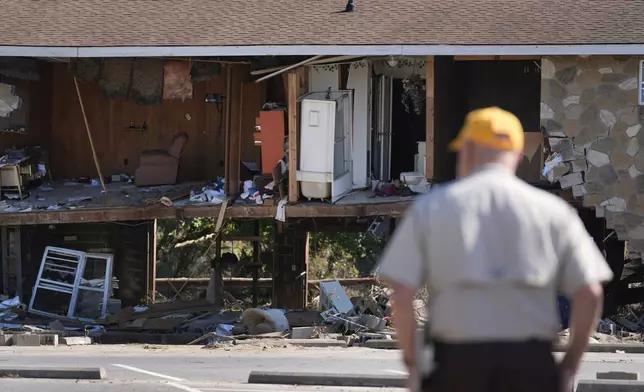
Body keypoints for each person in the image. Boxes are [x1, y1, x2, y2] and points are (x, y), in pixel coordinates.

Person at [375, 107, 613, 392]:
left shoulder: (431, 208)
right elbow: (589, 292)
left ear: (468, 151)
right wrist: (570, 366)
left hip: (456, 364)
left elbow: (401, 293)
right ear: (515, 155)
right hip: (530, 365)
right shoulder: (554, 212)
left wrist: (414, 365)